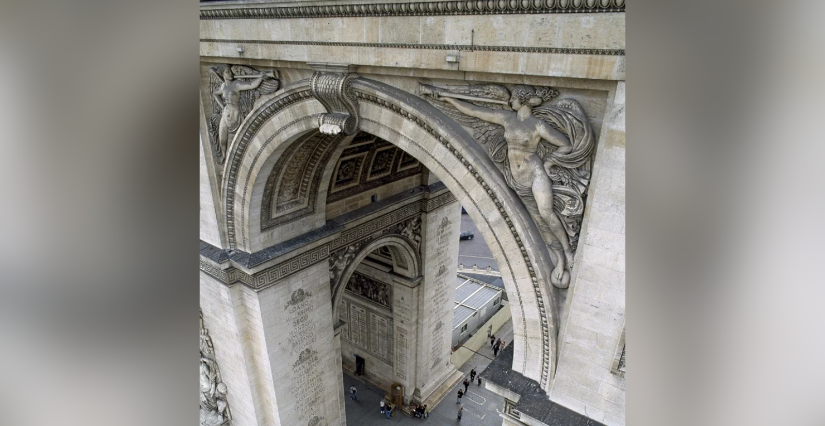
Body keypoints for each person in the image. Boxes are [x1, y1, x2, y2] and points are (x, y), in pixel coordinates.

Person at [442, 87, 577, 281]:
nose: (509, 102)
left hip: (536, 174)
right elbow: (473, 111)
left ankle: (567, 250)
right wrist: (449, 98)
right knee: (539, 221)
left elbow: (566, 144)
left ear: (521, 101)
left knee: (546, 213)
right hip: (517, 180)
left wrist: (549, 162)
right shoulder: (507, 118)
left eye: (512, 98)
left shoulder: (538, 125)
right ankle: (560, 260)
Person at [209, 66, 264, 158]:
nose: (231, 74)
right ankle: (223, 155)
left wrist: (261, 77)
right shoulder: (223, 86)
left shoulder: (236, 84)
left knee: (234, 141)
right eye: (227, 72)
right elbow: (215, 93)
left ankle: (231, 157)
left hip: (235, 114)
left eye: (230, 72)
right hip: (226, 113)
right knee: (222, 139)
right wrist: (222, 106)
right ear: (223, 75)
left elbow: (251, 85)